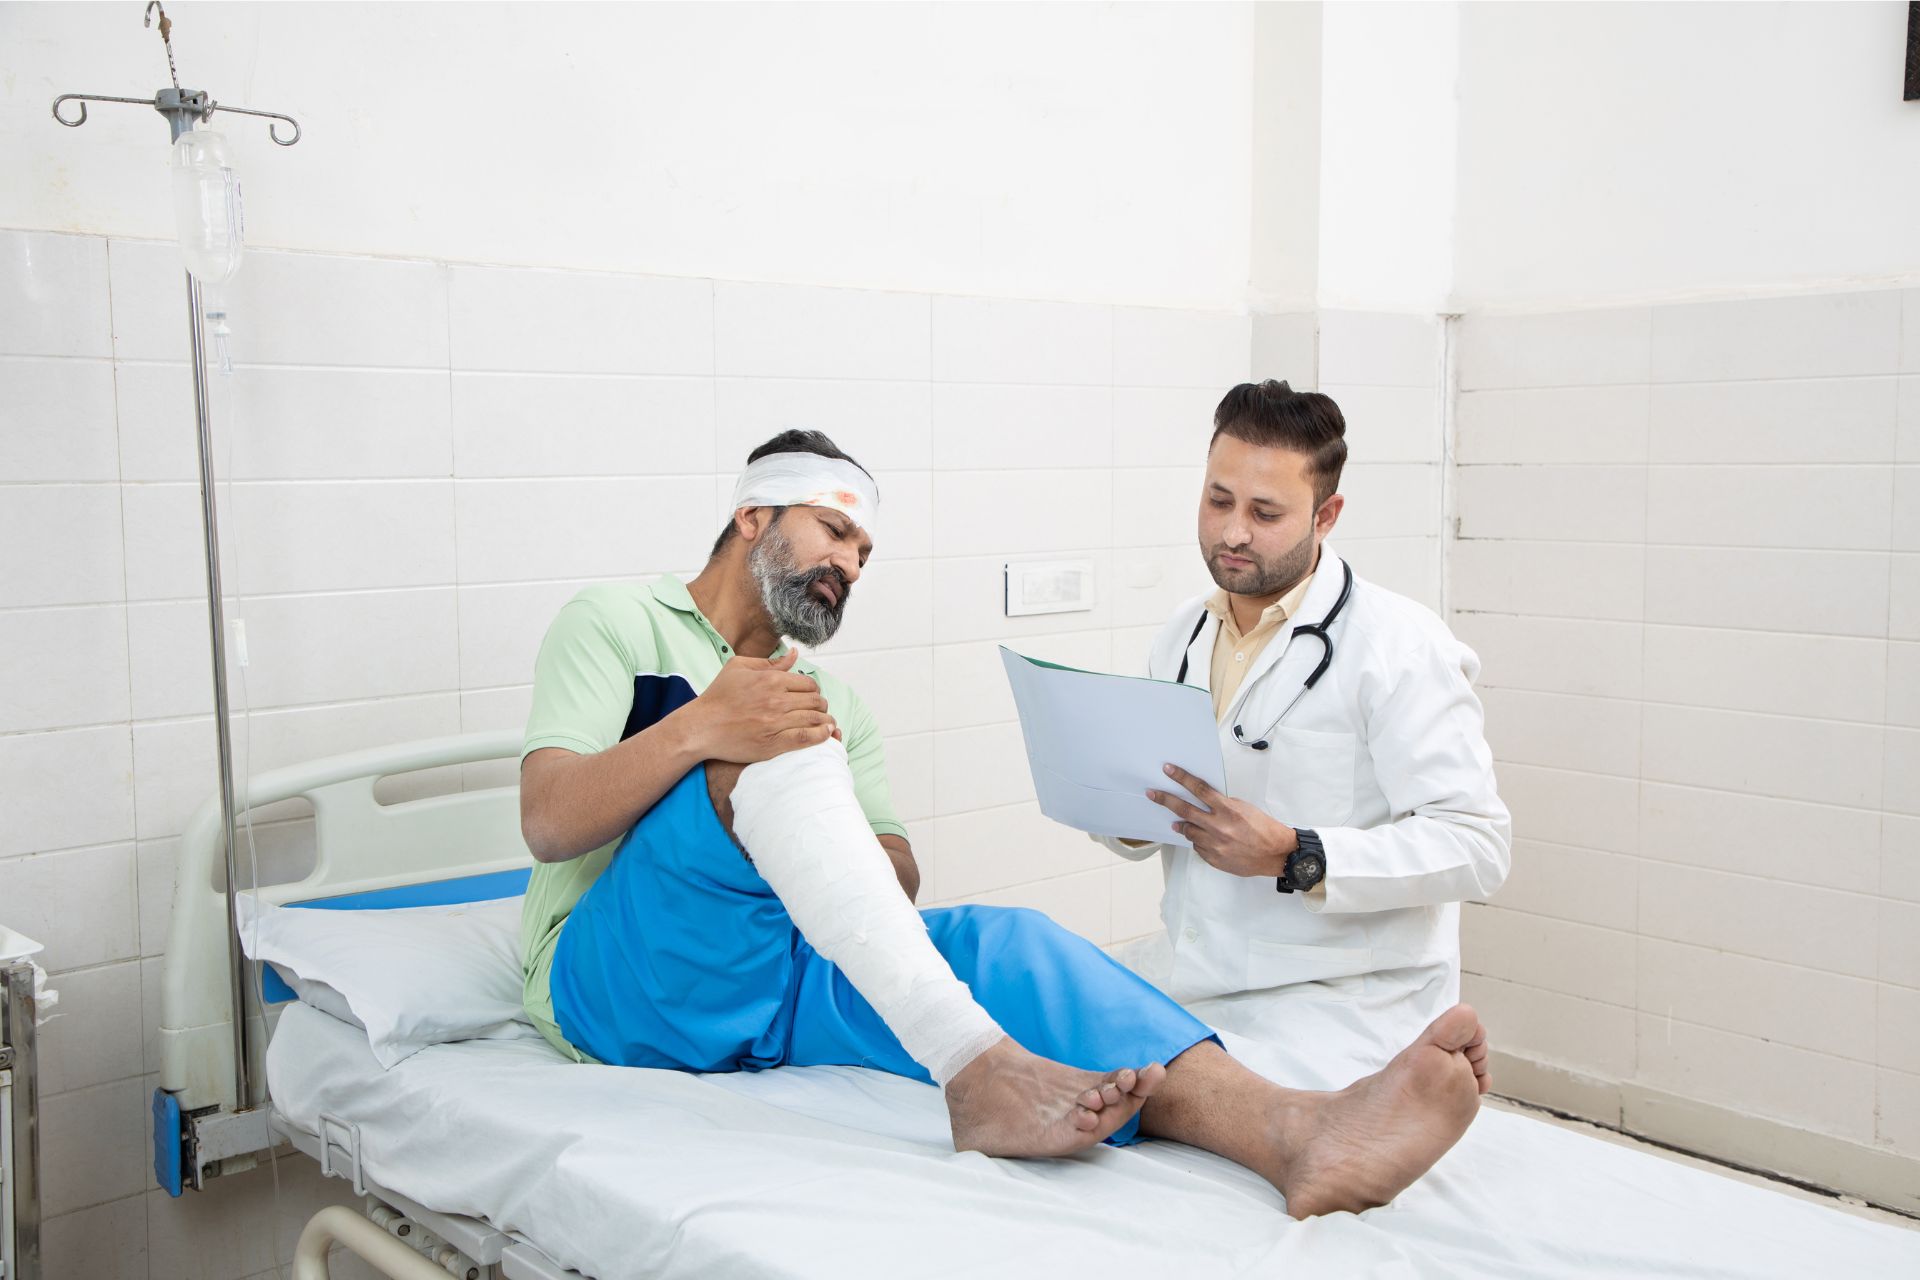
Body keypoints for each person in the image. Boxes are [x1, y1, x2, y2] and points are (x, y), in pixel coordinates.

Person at [517, 427, 1492, 1217]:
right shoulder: (617, 622)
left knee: (1009, 941)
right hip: (619, 978)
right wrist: (708, 730)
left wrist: (811, 820)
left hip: (778, 974)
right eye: (832, 530)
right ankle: (973, 1069)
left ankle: (1296, 1131)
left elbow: (892, 883)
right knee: (761, 736)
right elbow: (549, 822)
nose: (847, 563)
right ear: (751, 515)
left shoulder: (829, 703)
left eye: (862, 552)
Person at [1097, 380, 1511, 1087]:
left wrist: (1296, 855)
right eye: (1218, 501)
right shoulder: (1182, 634)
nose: (1233, 532)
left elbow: (1477, 848)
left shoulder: (1399, 645)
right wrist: (1121, 813)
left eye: (1265, 513)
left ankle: (1414, 1087)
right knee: (1037, 1019)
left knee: (1209, 1106)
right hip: (1201, 976)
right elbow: (1152, 811)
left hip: (1345, 1002)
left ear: (1326, 515)